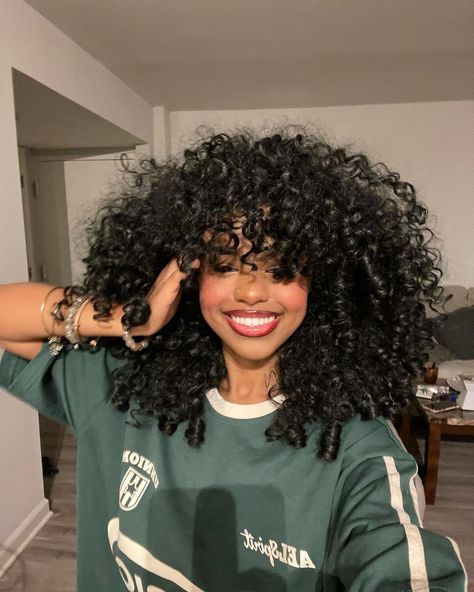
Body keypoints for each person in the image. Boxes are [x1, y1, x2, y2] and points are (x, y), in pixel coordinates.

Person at [0, 127, 467, 591]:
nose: (250, 291)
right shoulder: (124, 383)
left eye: (281, 269)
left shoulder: (356, 444)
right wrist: (130, 318)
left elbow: (398, 561)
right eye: (225, 265)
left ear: (324, 283)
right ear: (188, 274)